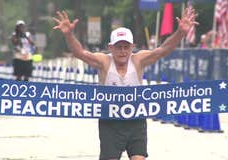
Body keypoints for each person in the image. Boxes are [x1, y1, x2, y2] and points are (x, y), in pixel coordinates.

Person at [53, 7, 197, 160]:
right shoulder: (104, 62)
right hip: (110, 122)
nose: (122, 51)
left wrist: (181, 32)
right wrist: (69, 34)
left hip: (135, 120)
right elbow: (81, 53)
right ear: (110, 47)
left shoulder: (138, 60)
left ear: (132, 47)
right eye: (118, 47)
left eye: (126, 47)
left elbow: (163, 50)